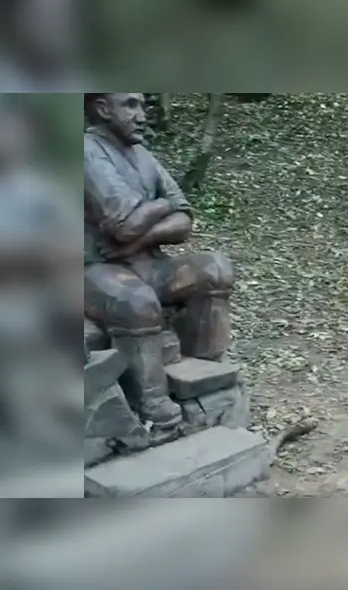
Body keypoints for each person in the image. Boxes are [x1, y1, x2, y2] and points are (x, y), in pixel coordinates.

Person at [84, 92, 234, 429]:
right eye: (131, 104)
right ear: (103, 108)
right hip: (94, 269)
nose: (142, 114)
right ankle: (150, 403)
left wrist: (147, 231)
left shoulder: (142, 154)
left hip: (147, 263)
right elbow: (123, 224)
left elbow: (185, 221)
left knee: (215, 269)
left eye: (143, 105)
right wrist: (162, 205)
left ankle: (206, 371)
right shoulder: (86, 152)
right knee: (137, 301)